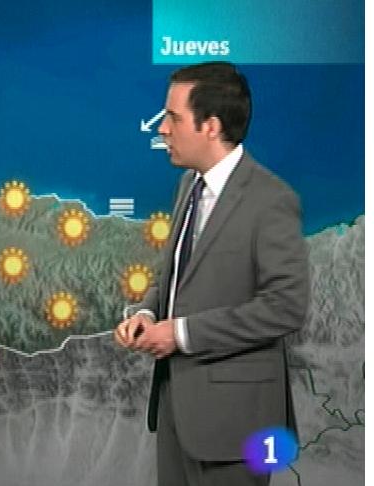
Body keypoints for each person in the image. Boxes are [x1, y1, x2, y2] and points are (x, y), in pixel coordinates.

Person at [114, 62, 309, 486]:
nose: (162, 129)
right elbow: (176, 277)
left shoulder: (271, 200)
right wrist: (147, 314)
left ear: (211, 126)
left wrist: (180, 334)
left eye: (173, 117)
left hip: (235, 427)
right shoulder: (188, 186)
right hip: (176, 412)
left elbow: (285, 307)